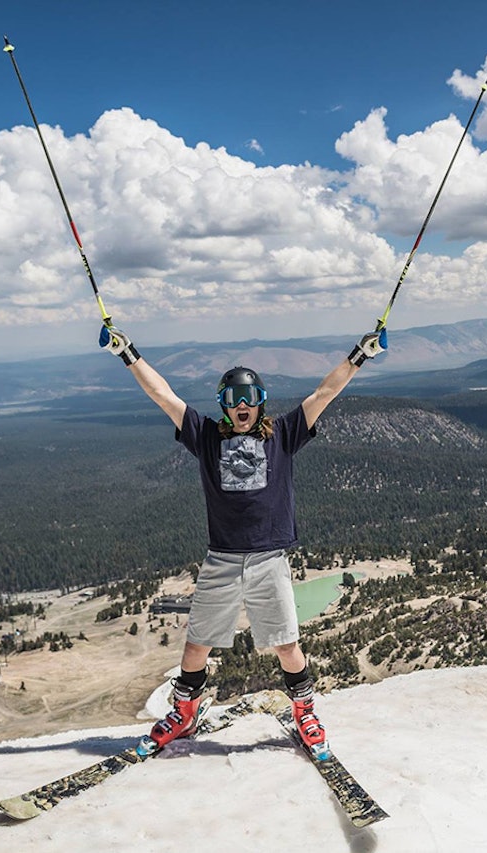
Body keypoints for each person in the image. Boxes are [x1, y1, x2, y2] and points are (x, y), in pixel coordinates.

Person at [99, 321, 385, 758]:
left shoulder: (283, 435)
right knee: (197, 645)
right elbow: (163, 395)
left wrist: (360, 354)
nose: (242, 405)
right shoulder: (206, 437)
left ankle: (305, 713)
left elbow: (324, 393)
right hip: (222, 560)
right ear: (224, 406)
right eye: (233, 399)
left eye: (249, 397)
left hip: (269, 559)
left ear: (261, 401)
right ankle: (185, 713)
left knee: (286, 645)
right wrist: (128, 353)